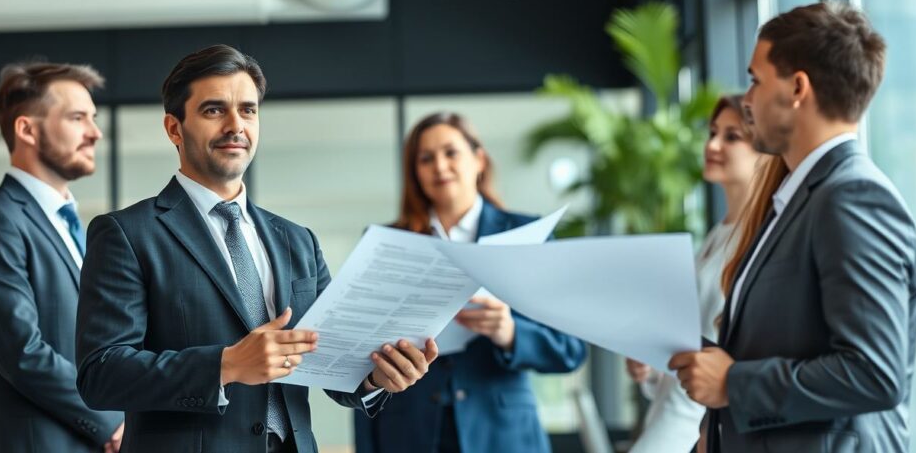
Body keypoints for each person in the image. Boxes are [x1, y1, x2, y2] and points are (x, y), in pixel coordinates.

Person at [75, 44, 437, 453]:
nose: (236, 125)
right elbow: (100, 374)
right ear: (174, 128)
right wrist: (225, 365)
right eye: (214, 110)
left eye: (248, 110)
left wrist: (377, 377)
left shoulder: (298, 240)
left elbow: (332, 363)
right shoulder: (126, 233)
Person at [669, 1, 916, 453]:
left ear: (797, 88)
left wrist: (734, 383)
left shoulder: (853, 197)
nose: (746, 100)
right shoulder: (795, 201)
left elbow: (873, 372)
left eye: (755, 80)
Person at [354, 112, 587, 453]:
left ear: (478, 160)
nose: (440, 166)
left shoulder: (525, 235)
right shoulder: (385, 242)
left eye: (451, 152)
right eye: (426, 158)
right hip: (407, 431)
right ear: (415, 173)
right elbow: (361, 356)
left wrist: (508, 333)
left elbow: (570, 349)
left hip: (502, 433)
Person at [0, 63, 124, 453]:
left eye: (92, 119)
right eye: (77, 118)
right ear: (27, 129)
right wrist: (110, 421)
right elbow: (22, 351)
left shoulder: (74, 225)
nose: (94, 132)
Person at [625, 95, 763, 453]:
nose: (712, 145)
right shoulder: (718, 235)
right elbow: (696, 339)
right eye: (713, 132)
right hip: (671, 416)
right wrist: (653, 369)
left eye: (732, 137)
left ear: (763, 149)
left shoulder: (760, 240)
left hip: (697, 428)